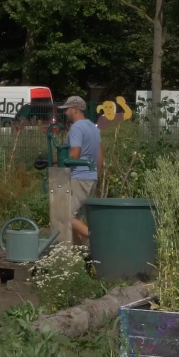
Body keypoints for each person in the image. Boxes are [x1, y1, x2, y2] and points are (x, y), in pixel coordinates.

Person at [59, 96, 102, 245]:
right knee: (76, 218)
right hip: (92, 177)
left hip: (79, 177)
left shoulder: (77, 127)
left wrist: (59, 161)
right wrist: (96, 174)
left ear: (75, 109)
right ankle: (81, 254)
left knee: (65, 216)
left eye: (67, 110)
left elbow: (74, 154)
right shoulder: (93, 127)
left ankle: (100, 239)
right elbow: (100, 156)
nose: (65, 113)